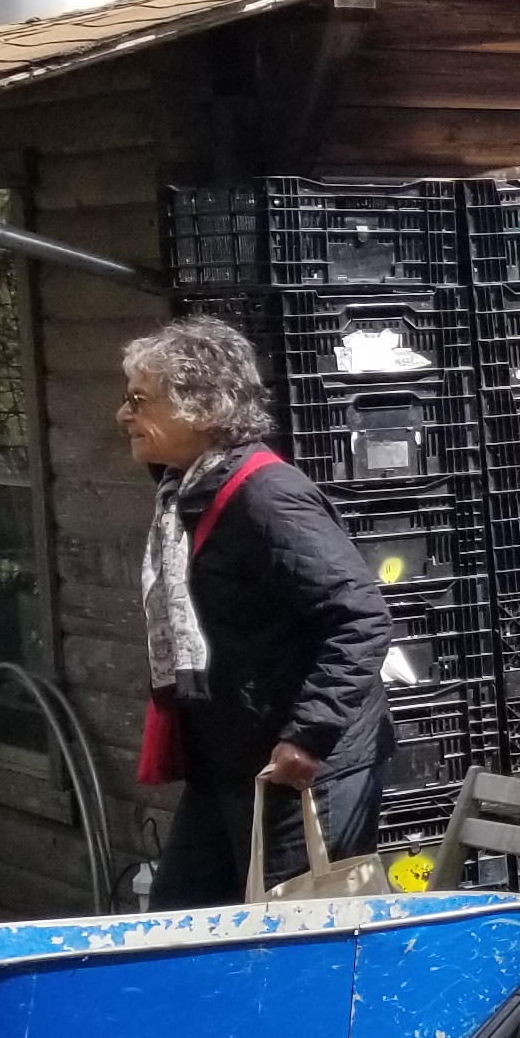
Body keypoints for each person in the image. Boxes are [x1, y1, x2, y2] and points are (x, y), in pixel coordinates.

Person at [122, 315, 393, 907]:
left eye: (140, 400)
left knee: (289, 942)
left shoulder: (268, 498)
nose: (124, 415)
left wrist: (308, 736)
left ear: (202, 407)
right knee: (181, 923)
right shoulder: (184, 493)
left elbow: (360, 617)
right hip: (230, 756)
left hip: (301, 763)